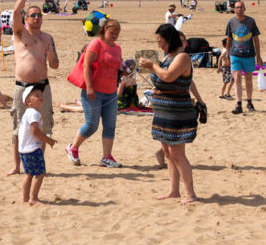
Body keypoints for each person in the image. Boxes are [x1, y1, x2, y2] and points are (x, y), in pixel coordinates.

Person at [139, 24, 201, 205]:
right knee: (168, 153)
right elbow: (162, 80)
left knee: (177, 153)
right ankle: (174, 190)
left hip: (178, 111)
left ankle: (190, 193)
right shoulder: (168, 57)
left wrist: (153, 65)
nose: (158, 45)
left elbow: (168, 76)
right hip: (164, 110)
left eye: (160, 41)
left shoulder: (182, 57)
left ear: (169, 39)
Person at [8, 0, 59, 176]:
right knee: (18, 127)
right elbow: (14, 12)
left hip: (43, 86)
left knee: (44, 125)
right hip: (23, 87)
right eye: (33, 15)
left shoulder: (48, 38)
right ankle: (16, 166)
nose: (37, 17)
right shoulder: (20, 33)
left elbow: (55, 66)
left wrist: (51, 55)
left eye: (39, 15)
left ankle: (40, 165)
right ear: (26, 18)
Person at [65, 18, 124, 168]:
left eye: (117, 33)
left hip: (110, 92)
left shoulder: (117, 48)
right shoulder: (96, 44)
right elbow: (86, 66)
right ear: (105, 30)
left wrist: (123, 73)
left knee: (110, 125)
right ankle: (73, 147)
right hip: (93, 92)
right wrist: (90, 87)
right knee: (92, 125)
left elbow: (116, 67)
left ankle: (106, 158)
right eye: (112, 32)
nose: (115, 35)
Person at [18, 86, 56, 205]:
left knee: (28, 174)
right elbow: (35, 131)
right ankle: (33, 198)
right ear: (28, 101)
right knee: (40, 173)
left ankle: (25, 197)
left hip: (24, 149)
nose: (41, 97)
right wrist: (48, 140)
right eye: (37, 95)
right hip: (32, 149)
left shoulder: (28, 113)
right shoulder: (34, 113)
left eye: (41, 94)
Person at [226, 0, 262, 115]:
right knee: (237, 78)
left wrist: (259, 56)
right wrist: (227, 54)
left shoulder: (251, 21)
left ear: (245, 9)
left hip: (249, 55)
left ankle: (249, 102)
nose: (239, 9)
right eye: (237, 7)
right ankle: (239, 104)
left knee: (248, 79)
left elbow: (256, 39)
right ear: (234, 9)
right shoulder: (231, 22)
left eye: (241, 7)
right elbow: (229, 39)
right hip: (235, 55)